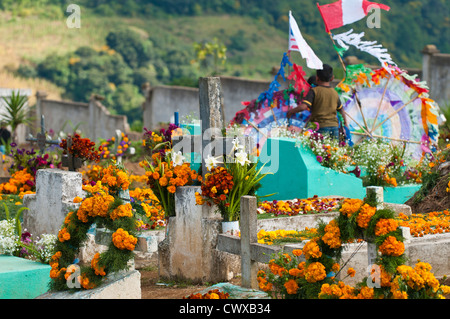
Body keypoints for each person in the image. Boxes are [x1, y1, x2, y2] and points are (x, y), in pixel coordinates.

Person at [287, 64, 348, 140]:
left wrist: (290, 112)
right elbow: (341, 109)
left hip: (320, 127)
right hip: (334, 127)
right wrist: (345, 124)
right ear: (332, 78)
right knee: (331, 149)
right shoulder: (334, 93)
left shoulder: (314, 91)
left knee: (318, 149)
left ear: (317, 78)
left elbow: (304, 106)